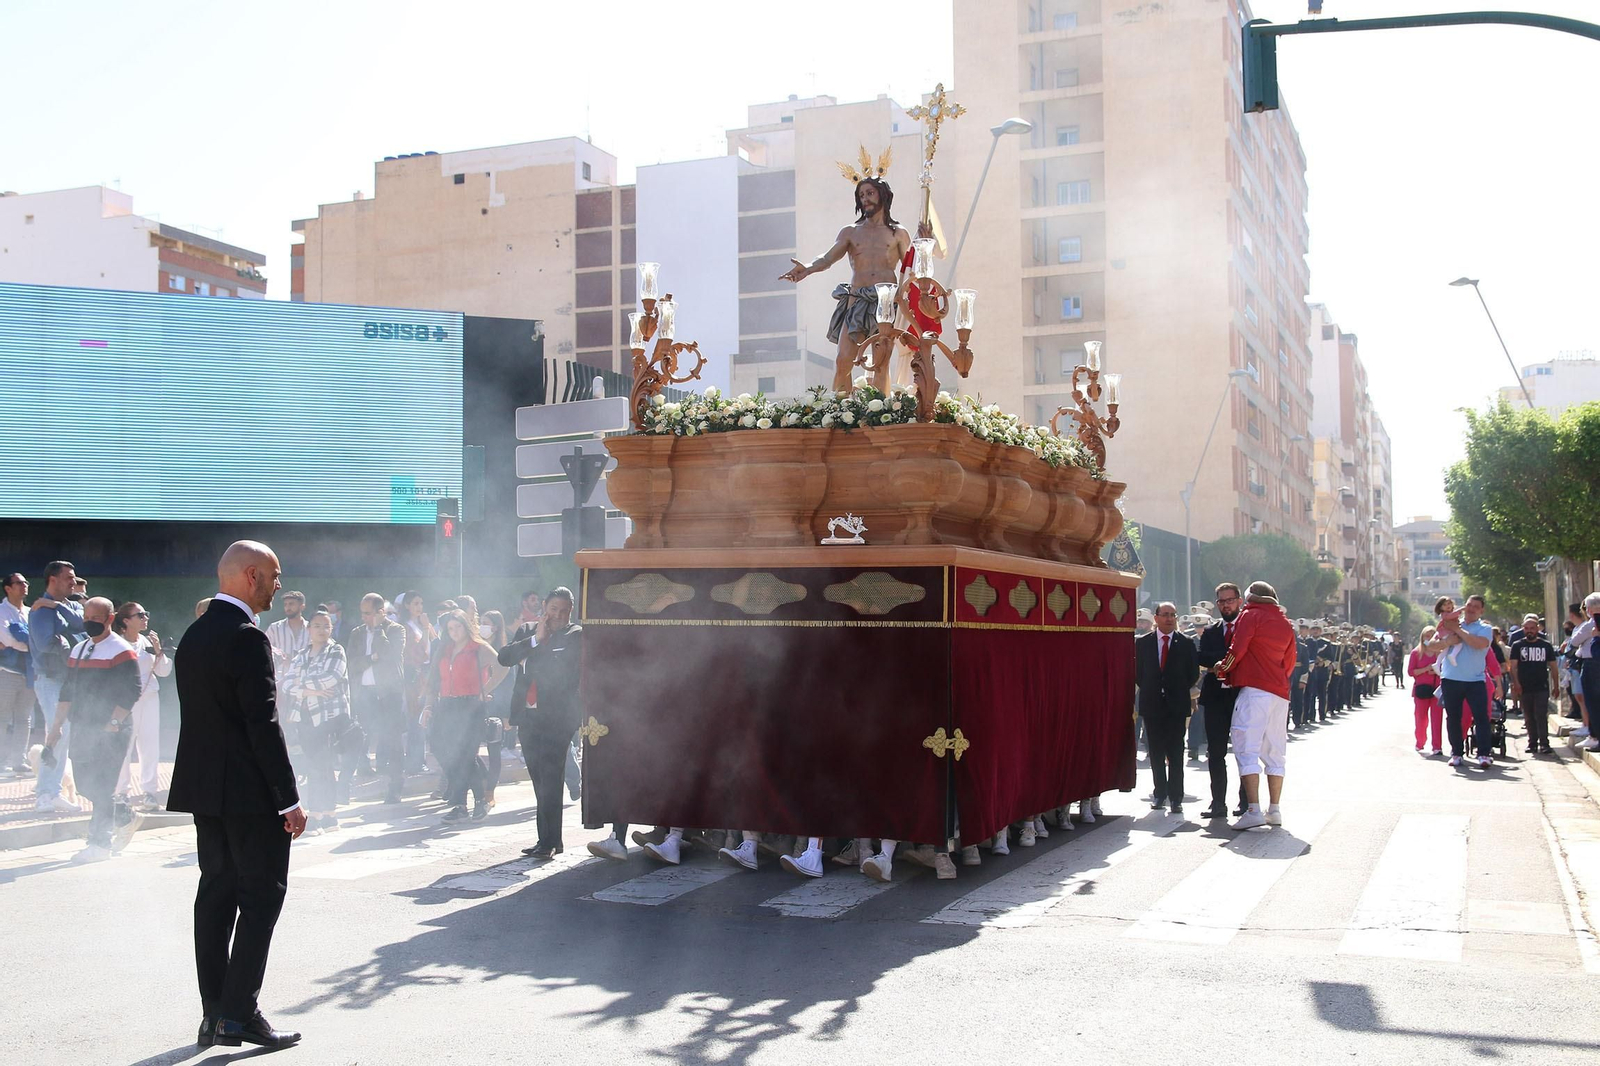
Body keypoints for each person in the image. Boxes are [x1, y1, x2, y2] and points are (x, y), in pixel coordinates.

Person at [168, 540, 304, 1050]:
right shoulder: (248, 637)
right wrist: (287, 799)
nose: (278, 586)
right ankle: (239, 1012)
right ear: (251, 575)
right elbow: (261, 724)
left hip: (206, 791)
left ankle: (214, 1014)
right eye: (274, 575)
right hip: (249, 794)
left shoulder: (196, 633)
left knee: (216, 895)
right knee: (262, 895)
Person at [780, 175, 931, 393]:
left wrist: (924, 242)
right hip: (857, 300)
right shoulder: (850, 231)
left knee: (881, 363)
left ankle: (881, 414)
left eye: (870, 193)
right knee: (843, 360)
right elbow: (827, 259)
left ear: (883, 195)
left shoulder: (897, 232)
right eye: (861, 195)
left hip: (885, 303)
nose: (865, 199)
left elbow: (911, 265)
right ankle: (840, 414)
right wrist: (807, 268)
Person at [44, 597, 140, 862]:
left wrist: (113, 724)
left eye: (96, 618)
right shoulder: (79, 650)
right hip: (83, 727)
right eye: (87, 617)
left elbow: (132, 690)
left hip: (111, 729)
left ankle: (99, 844)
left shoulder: (121, 650)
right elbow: (68, 690)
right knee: (86, 785)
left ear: (111, 618)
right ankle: (124, 815)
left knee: (102, 785)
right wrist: (55, 728)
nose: (89, 622)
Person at [499, 588, 584, 858]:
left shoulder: (575, 635)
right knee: (538, 777)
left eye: (564, 610)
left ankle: (547, 843)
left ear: (571, 610)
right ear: (544, 607)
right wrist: (535, 641)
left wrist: (537, 651)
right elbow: (504, 657)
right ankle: (549, 839)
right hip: (528, 715)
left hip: (558, 717)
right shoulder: (527, 630)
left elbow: (562, 673)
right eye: (553, 609)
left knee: (550, 777)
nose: (557, 615)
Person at [1216, 581, 1297, 830]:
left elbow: (1236, 648)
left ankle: (1253, 809)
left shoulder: (1250, 616)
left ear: (1249, 598)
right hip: (1279, 693)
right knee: (1275, 751)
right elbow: (1290, 661)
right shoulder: (1285, 622)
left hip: (1254, 691)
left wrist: (1223, 668)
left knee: (1246, 748)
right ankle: (1274, 809)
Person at [421, 610, 505, 823]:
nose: (454, 632)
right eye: (450, 628)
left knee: (465, 755)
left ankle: (464, 804)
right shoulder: (444, 648)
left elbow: (502, 666)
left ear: (466, 626)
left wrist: (485, 690)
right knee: (440, 748)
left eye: (458, 627)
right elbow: (433, 681)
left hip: (471, 705)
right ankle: (479, 793)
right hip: (446, 705)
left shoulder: (478, 647)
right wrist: (428, 706)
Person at [283, 610, 348, 833]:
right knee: (314, 764)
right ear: (309, 629)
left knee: (322, 765)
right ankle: (323, 814)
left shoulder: (336, 650)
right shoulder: (301, 654)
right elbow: (286, 683)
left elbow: (331, 678)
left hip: (328, 717)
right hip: (304, 717)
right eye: (317, 626)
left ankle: (323, 814)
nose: (322, 630)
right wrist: (311, 690)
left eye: (326, 626)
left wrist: (304, 687)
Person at [29, 560, 86, 811]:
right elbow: (44, 645)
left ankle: (52, 791)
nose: (73, 582)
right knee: (57, 733)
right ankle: (46, 794)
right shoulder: (39, 610)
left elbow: (83, 625)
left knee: (67, 734)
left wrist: (57, 605)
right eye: (68, 578)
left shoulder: (68, 605)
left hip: (71, 681)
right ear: (53, 579)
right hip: (51, 680)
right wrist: (69, 645)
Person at [1135, 602, 1199, 817]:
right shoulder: (1143, 643)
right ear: (1156, 618)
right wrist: (1154, 688)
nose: (1169, 619)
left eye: (1173, 615)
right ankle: (1159, 793)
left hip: (1176, 706)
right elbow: (1138, 673)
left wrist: (1175, 689)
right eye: (1165, 615)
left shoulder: (1186, 643)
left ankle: (1176, 797)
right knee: (1155, 752)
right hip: (1153, 705)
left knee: (1175, 751)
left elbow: (1192, 674)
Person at [346, 592, 407, 804]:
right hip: (364, 694)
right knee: (361, 736)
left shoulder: (396, 630)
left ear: (381, 612)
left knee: (392, 740)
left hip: (389, 694)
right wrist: (372, 658)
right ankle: (360, 775)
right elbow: (351, 664)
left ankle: (395, 786)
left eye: (369, 613)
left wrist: (380, 629)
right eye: (362, 613)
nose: (364, 617)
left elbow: (391, 656)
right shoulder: (357, 633)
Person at [1425, 593, 1496, 769]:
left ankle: (1484, 754)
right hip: (1451, 679)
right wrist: (1447, 640)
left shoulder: (1484, 628)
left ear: (1481, 610)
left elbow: (1479, 644)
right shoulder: (1449, 624)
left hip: (1476, 680)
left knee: (1481, 718)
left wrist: (1458, 631)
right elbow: (1432, 646)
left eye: (1475, 607)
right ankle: (1456, 753)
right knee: (1453, 718)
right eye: (1469, 605)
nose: (1471, 609)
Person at [111, 601, 171, 810]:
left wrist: (159, 651)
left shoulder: (146, 640)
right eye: (140, 615)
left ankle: (149, 792)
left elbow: (163, 672)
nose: (146, 618)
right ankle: (120, 793)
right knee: (125, 746)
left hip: (150, 698)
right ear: (126, 621)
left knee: (149, 745)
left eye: (146, 613)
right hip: (126, 701)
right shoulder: (115, 643)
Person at [1196, 584, 1245, 821]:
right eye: (1222, 601)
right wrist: (1216, 664)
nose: (1226, 605)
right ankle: (1218, 803)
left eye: (1230, 600)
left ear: (1239, 601)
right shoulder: (1211, 631)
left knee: (1245, 752)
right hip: (1216, 698)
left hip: (1243, 697)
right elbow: (1202, 656)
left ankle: (1247, 802)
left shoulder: (1248, 628)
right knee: (1215, 753)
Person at [398, 591, 436, 775]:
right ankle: (414, 761)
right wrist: (426, 629)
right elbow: (421, 653)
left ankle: (419, 760)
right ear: (407, 606)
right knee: (416, 719)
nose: (419, 607)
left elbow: (436, 645)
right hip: (414, 678)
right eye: (415, 603)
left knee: (424, 718)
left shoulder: (422, 624)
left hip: (426, 676)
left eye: (421, 603)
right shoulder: (405, 627)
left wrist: (428, 628)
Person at [1509, 614, 1557, 756]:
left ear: (1537, 629)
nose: (1529, 630)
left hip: (1541, 686)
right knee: (1529, 716)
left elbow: (1553, 667)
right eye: (1526, 628)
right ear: (1523, 629)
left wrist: (1556, 685)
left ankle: (1544, 743)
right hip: (1525, 686)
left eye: (1532, 628)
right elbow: (1513, 667)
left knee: (1541, 715)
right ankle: (1532, 743)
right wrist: (1516, 683)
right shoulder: (1518, 646)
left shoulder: (1546, 646)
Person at [0, 572, 34, 776]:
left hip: (30, 672)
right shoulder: (1, 611)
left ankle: (19, 761)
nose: (24, 586)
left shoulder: (31, 612)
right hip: (7, 671)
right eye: (19, 583)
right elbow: (7, 639)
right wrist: (29, 644)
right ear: (8, 588)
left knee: (24, 718)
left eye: (26, 582)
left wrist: (20, 641)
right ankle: (1, 763)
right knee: (2, 718)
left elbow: (39, 639)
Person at [1570, 594, 1600, 755]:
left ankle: (1595, 735)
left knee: (1593, 702)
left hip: (1592, 664)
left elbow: (1574, 641)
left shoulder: (1591, 625)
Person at [1409, 626, 1443, 756]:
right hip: (1421, 690)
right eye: (1427, 636)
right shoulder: (1416, 653)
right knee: (1420, 718)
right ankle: (1420, 741)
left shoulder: (1441, 653)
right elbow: (1411, 672)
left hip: (1437, 690)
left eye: (1432, 635)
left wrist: (1435, 671)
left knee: (1437, 719)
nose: (1429, 638)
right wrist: (1426, 669)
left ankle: (1437, 746)